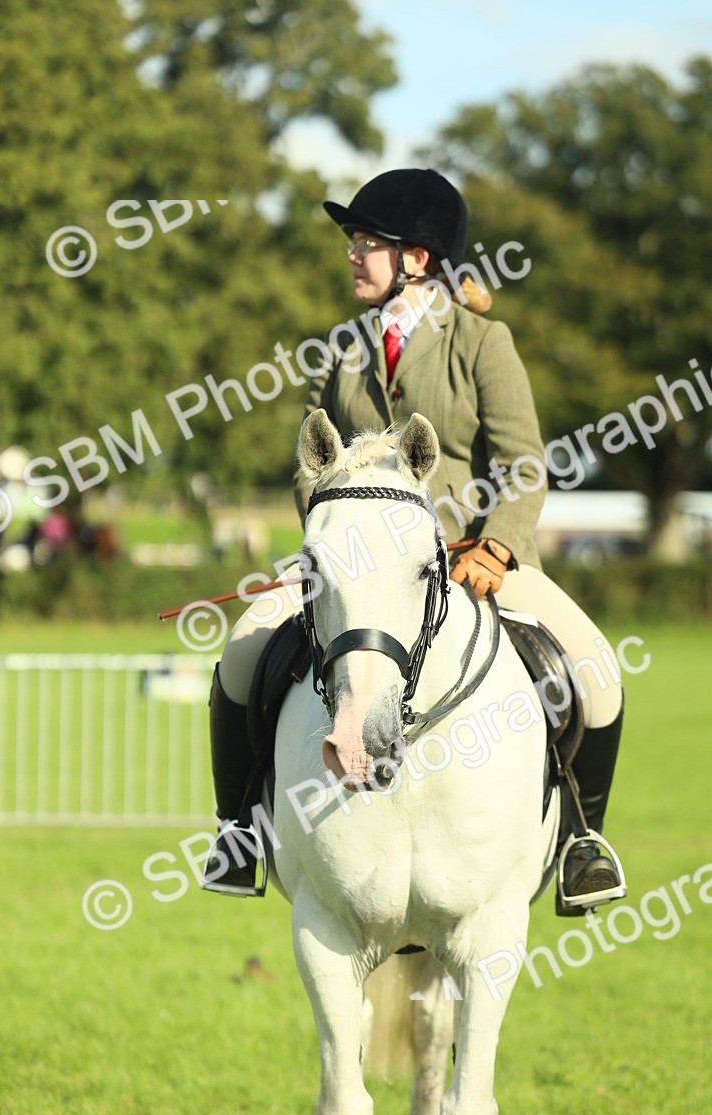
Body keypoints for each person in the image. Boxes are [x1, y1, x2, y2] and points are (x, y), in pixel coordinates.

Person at [204, 167, 626, 917]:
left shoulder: (482, 342)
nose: (353, 256)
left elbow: (526, 461)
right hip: (353, 564)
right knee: (240, 655)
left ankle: (580, 844)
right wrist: (330, 537)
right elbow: (311, 461)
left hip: (466, 558)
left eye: (367, 243)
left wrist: (497, 547)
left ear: (418, 259)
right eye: (354, 243)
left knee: (596, 671)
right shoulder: (341, 347)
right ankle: (238, 832)